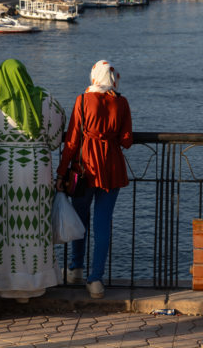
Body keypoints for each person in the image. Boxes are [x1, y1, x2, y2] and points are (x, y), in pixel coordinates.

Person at [0, 58, 65, 303]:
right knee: (35, 226)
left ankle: (3, 284)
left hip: (2, 172)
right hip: (38, 171)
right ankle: (35, 284)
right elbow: (56, 139)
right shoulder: (47, 99)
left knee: (2, 228)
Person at [56, 60, 132, 299]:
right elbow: (127, 140)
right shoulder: (121, 102)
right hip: (112, 170)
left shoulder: (82, 100)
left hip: (85, 169)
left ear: (94, 77)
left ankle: (75, 269)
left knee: (80, 220)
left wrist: (61, 173)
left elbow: (71, 142)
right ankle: (96, 280)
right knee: (103, 224)